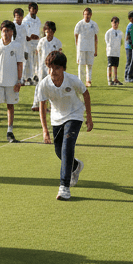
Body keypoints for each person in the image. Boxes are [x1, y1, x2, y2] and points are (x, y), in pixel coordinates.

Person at [36, 50, 92, 201]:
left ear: (64, 68)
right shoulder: (44, 84)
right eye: (50, 68)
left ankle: (64, 187)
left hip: (75, 115)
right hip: (56, 118)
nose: (53, 71)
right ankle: (76, 166)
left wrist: (89, 117)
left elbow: (86, 94)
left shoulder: (72, 80)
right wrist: (45, 130)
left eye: (57, 68)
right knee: (59, 152)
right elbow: (42, 106)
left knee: (67, 147)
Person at [73, 7, 99, 86]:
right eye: (85, 14)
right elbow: (76, 35)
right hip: (81, 47)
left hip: (90, 47)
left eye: (88, 14)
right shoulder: (79, 24)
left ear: (91, 15)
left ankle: (88, 81)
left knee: (89, 65)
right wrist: (77, 45)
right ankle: (80, 81)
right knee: (81, 65)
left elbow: (96, 37)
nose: (86, 16)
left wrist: (96, 49)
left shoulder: (94, 24)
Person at [23, 2, 42, 82]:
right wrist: (30, 37)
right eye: (33, 9)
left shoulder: (38, 20)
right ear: (29, 9)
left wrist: (38, 37)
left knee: (36, 60)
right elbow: (25, 34)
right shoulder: (26, 20)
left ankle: (35, 75)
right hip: (28, 43)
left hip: (36, 43)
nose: (35, 11)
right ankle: (27, 77)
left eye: (36, 9)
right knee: (28, 60)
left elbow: (39, 32)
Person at [103, 16, 124, 87]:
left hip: (117, 52)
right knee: (110, 66)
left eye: (117, 22)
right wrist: (109, 47)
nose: (115, 24)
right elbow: (107, 41)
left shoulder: (120, 32)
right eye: (114, 22)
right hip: (110, 52)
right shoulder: (109, 32)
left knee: (115, 66)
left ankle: (115, 79)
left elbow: (121, 41)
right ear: (111, 23)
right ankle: (109, 80)